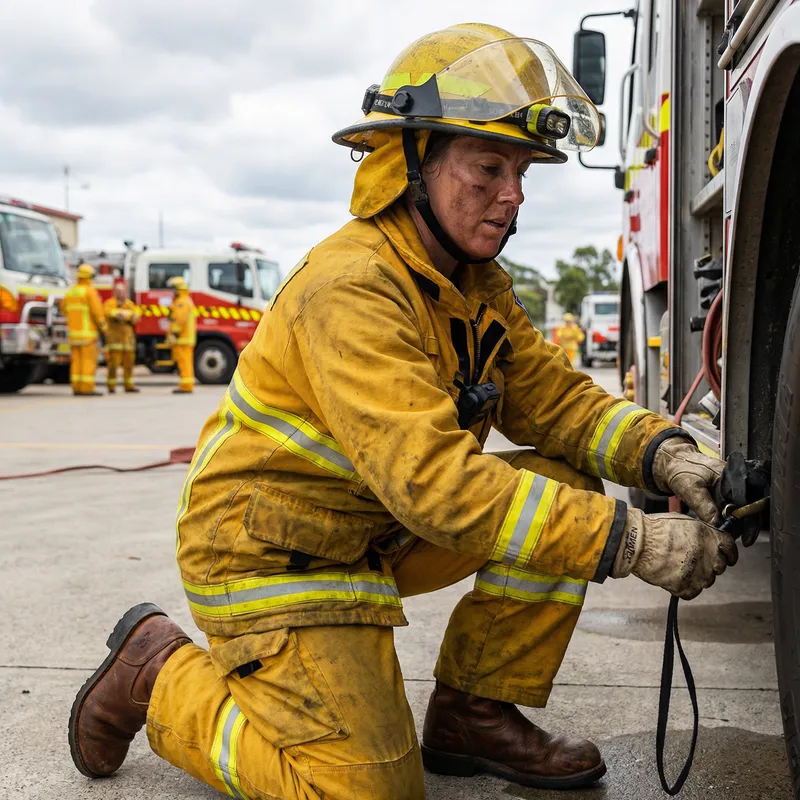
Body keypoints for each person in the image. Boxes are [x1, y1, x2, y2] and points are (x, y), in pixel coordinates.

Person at [69, 25, 737, 799]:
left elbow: (555, 404)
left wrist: (666, 454)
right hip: (270, 556)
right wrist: (636, 541)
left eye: (521, 171)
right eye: (489, 167)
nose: (513, 193)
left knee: (566, 477)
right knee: (366, 792)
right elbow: (437, 487)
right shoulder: (350, 288)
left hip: (369, 529)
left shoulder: (474, 285)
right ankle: (158, 675)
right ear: (412, 164)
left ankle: (472, 714)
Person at [63, 263, 107, 396]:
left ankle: (76, 387)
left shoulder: (70, 292)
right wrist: (104, 329)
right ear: (90, 277)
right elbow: (97, 312)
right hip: (88, 335)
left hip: (73, 335)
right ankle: (87, 388)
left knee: (76, 361)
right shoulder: (89, 291)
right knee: (88, 361)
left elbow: (63, 309)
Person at [104, 279, 141, 393]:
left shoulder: (129, 304)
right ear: (115, 292)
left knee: (129, 365)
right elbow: (110, 313)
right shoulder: (110, 303)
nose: (121, 294)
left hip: (128, 342)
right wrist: (125, 315)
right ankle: (111, 386)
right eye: (119, 291)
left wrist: (124, 315)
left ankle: (129, 385)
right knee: (113, 365)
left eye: (123, 291)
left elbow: (136, 315)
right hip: (115, 341)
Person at [166, 276, 196, 394]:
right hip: (185, 338)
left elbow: (180, 320)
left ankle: (186, 385)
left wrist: (174, 332)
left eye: (173, 289)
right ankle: (186, 384)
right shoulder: (184, 300)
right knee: (185, 362)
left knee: (184, 362)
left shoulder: (181, 302)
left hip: (182, 338)